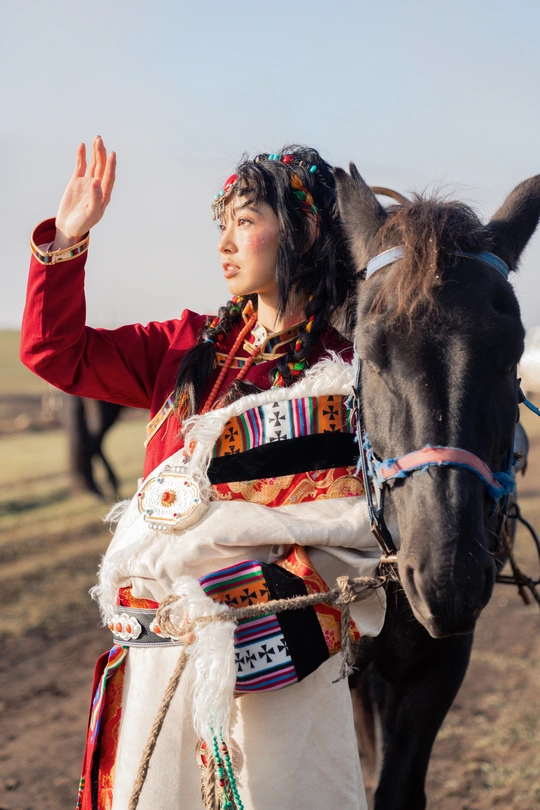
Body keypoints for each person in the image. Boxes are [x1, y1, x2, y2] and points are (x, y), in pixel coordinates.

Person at [21, 137, 385, 810]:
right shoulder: (182, 349)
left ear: (304, 227)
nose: (225, 243)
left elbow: (349, 527)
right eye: (222, 225)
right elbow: (55, 352)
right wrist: (67, 241)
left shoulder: (352, 374)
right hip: (161, 651)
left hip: (287, 658)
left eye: (245, 221)